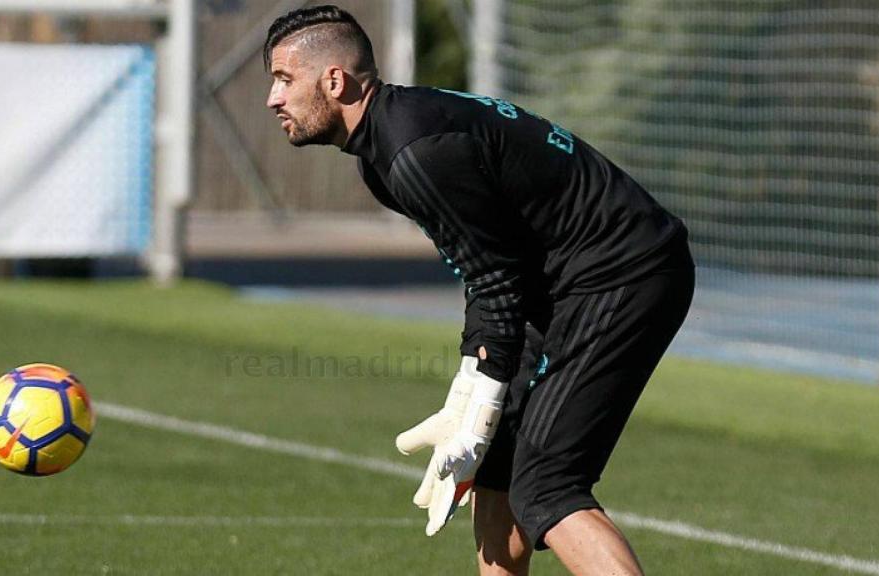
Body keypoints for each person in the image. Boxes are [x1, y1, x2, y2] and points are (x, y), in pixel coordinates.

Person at [263, 6, 694, 576]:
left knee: (546, 484)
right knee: (496, 469)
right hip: (559, 282)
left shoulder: (413, 151)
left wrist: (477, 401)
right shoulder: (384, 152)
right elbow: (489, 270)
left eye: (284, 79)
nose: (273, 99)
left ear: (335, 81)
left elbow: (496, 281)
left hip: (622, 274)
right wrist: (469, 400)